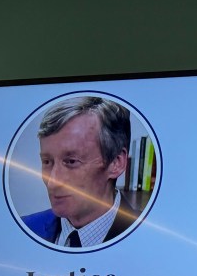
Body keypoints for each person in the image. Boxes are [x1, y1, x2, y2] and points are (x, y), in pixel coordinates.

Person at [20, 96, 139, 247]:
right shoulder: (24, 228)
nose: (52, 183)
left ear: (116, 163)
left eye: (71, 162)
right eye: (47, 162)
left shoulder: (152, 238)